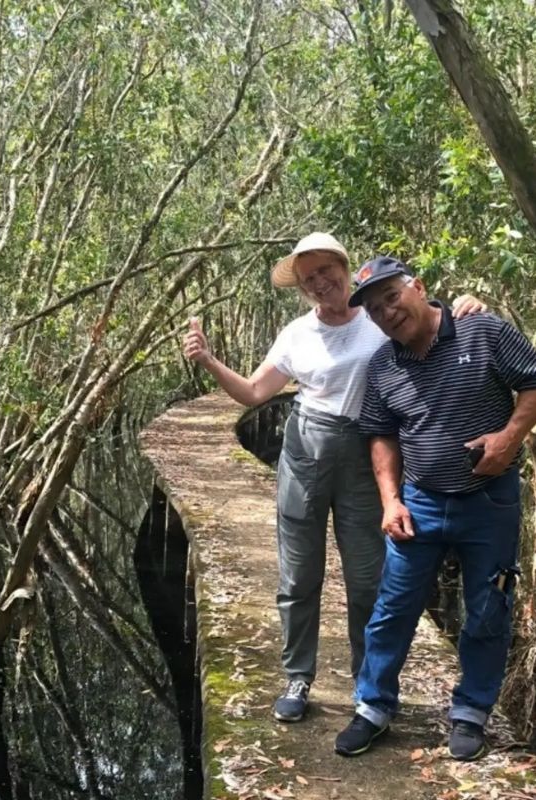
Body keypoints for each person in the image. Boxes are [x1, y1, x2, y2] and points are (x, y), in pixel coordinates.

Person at [182, 233, 486, 723]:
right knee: (299, 575)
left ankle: (369, 684)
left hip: (367, 453)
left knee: (368, 578)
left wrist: (468, 307)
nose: (321, 282)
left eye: (327, 270)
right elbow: (256, 391)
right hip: (304, 448)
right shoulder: (297, 333)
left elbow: (431, 323)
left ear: (345, 268)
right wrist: (209, 360)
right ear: (302, 288)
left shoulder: (380, 316)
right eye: (310, 278)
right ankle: (298, 677)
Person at [333, 255, 536, 761]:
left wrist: (508, 438)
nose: (387, 312)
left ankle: (471, 713)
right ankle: (373, 707)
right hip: (421, 502)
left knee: (487, 608)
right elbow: (381, 435)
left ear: (418, 287)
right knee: (392, 608)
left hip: (489, 502)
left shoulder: (484, 332)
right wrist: (391, 501)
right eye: (375, 309)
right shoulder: (383, 365)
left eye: (392, 297)